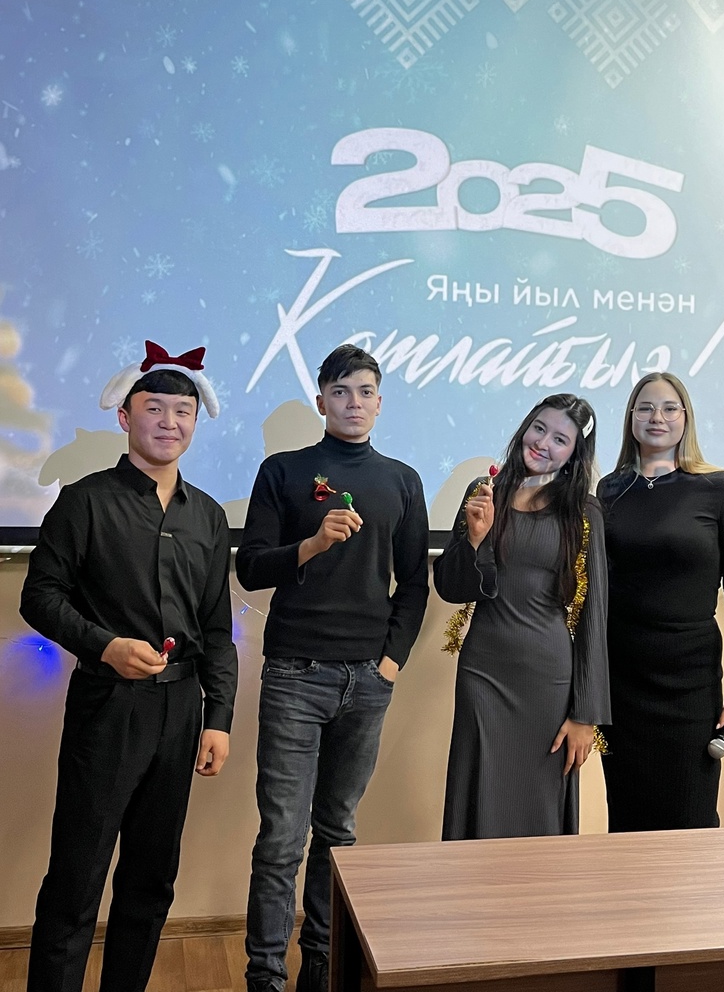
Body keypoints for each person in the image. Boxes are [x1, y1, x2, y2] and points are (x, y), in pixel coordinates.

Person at [20, 341, 238, 992]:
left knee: (151, 878)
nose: (170, 422)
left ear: (196, 422)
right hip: (107, 706)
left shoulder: (208, 516)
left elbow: (216, 629)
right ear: (125, 416)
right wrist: (104, 645)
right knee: (76, 877)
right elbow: (40, 596)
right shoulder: (84, 501)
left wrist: (219, 719)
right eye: (155, 408)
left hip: (181, 711)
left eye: (183, 411)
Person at [236, 344, 429, 992]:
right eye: (341, 391)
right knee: (281, 839)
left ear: (380, 402)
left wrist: (390, 664)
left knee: (338, 832)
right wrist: (313, 544)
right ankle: (266, 976)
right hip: (295, 673)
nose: (354, 403)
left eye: (365, 391)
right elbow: (250, 567)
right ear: (321, 401)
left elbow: (415, 584)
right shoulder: (282, 470)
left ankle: (321, 964)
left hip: (367, 681)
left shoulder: (402, 480)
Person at [434, 393, 610, 839]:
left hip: (548, 682)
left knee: (539, 808)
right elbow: (450, 587)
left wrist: (585, 714)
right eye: (539, 428)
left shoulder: (583, 510)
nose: (543, 443)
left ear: (574, 454)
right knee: (477, 795)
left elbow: (594, 612)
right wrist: (474, 541)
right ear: (525, 427)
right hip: (483, 672)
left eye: (560, 439)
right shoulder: (484, 491)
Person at [596, 372, 724, 832]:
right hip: (621, 683)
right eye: (645, 407)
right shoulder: (609, 490)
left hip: (689, 683)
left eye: (670, 408)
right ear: (631, 418)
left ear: (686, 417)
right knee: (626, 819)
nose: (657, 417)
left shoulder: (718, 487)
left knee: (691, 819)